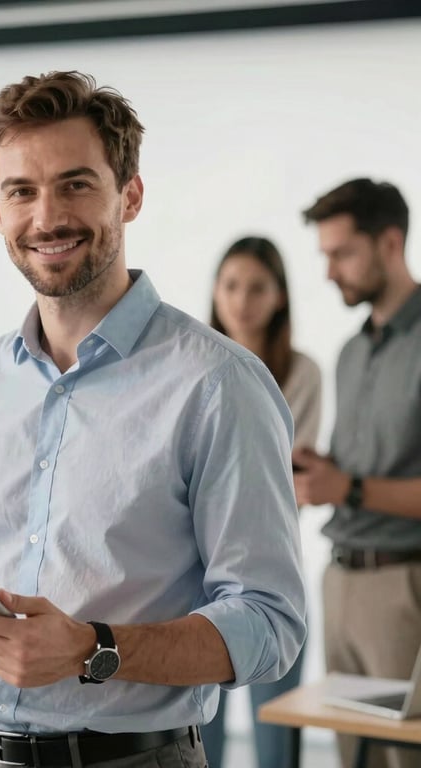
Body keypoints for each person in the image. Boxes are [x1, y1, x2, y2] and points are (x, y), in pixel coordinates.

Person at [0, 71, 307, 768]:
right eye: (21, 191)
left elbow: (270, 625)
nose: (46, 217)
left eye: (75, 184)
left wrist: (93, 650)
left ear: (131, 195)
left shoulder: (219, 384)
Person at [296, 178, 421, 768]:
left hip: (403, 591)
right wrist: (324, 472)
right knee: (354, 760)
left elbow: (358, 485)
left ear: (390, 243)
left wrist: (345, 486)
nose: (329, 272)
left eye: (341, 253)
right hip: (339, 582)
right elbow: (358, 471)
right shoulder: (351, 351)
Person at [201, 236, 322, 768]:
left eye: (256, 287)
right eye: (230, 285)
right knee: (201, 740)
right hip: (195, 580)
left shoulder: (302, 372)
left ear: (280, 298)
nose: (242, 300)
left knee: (278, 738)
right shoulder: (191, 365)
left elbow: (292, 483)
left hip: (272, 574)